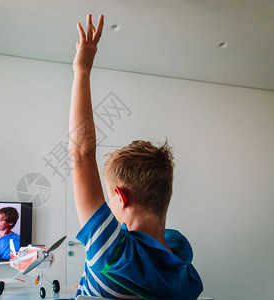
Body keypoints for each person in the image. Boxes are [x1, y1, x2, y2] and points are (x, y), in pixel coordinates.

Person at [69, 14, 203, 299]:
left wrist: (82, 70)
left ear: (121, 196)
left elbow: (82, 154)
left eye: (109, 197)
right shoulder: (185, 270)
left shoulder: (114, 256)